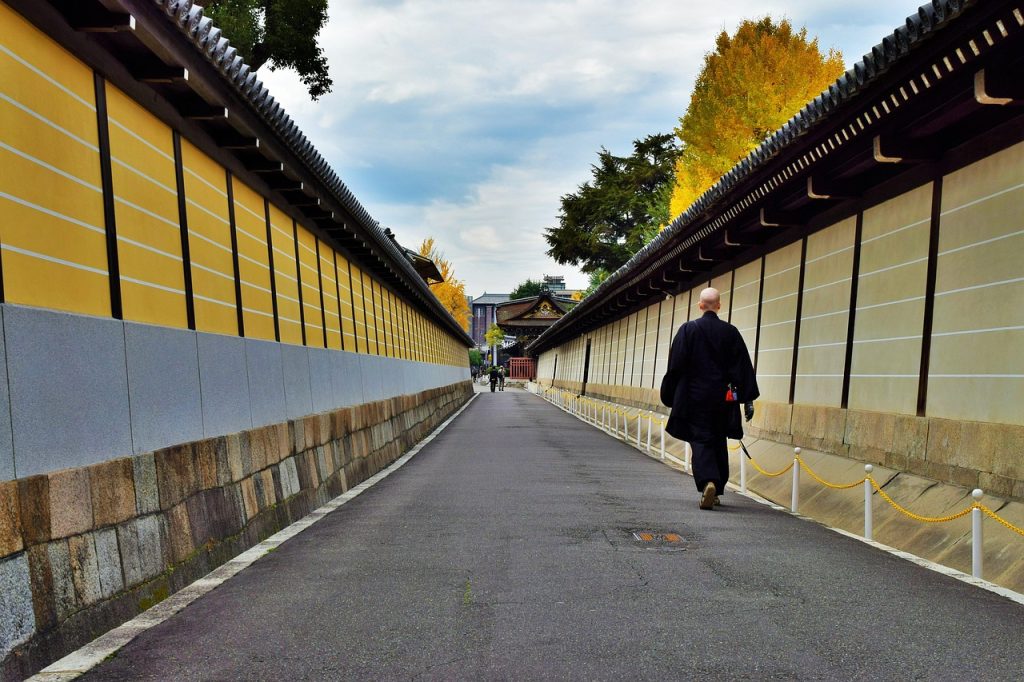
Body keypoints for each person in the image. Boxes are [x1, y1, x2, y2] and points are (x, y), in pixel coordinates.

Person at [660, 288, 759, 510]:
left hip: (694, 396)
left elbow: (676, 364)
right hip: (723, 398)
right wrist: (747, 399)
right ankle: (717, 489)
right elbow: (742, 368)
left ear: (700, 305)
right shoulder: (731, 332)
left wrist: (669, 393)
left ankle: (708, 482)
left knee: (701, 439)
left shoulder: (688, 330)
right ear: (719, 306)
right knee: (718, 439)